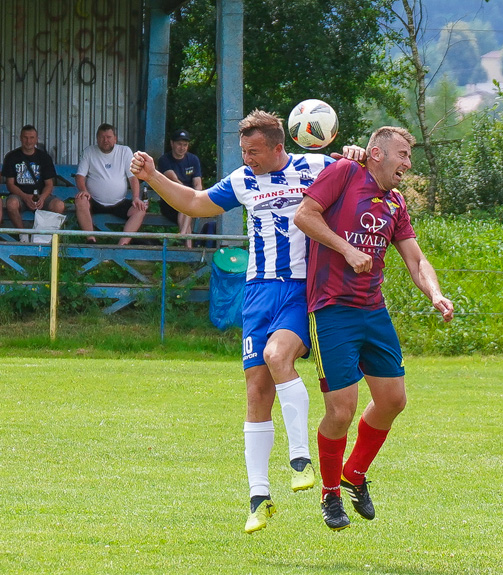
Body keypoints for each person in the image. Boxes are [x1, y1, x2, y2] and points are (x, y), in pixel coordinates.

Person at [129, 109, 364, 535]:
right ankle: (259, 498)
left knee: (279, 356)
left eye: (254, 152)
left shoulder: (315, 166)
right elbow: (196, 204)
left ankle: (300, 458)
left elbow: (358, 172)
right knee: (256, 392)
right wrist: (152, 177)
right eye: (243, 151)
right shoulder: (242, 179)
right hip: (256, 293)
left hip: (298, 287)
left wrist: (357, 152)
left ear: (280, 147)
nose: (248, 158)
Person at [294, 126, 454, 531]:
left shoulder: (396, 202)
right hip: (331, 309)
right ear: (376, 154)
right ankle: (330, 493)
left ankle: (355, 473)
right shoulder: (345, 172)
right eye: (402, 154)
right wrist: (348, 250)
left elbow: (416, 261)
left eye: (410, 157)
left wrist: (434, 293)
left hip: (372, 310)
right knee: (341, 410)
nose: (408, 163)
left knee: (393, 401)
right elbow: (304, 215)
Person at [75, 123, 145, 245]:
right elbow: (80, 176)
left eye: (108, 137)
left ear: (115, 139)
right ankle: (91, 240)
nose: (105, 140)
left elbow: (133, 177)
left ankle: (122, 245)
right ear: (97, 138)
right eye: (102, 137)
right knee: (80, 200)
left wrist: (135, 197)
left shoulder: (125, 151)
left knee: (140, 209)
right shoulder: (89, 152)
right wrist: (83, 190)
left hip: (119, 202)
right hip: (94, 201)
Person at [1, 125, 65, 242]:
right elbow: (10, 184)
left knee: (59, 205)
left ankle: (41, 237)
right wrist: (25, 197)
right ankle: (23, 235)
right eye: (25, 138)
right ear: (20, 138)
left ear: (36, 139)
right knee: (11, 204)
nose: (28, 141)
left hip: (41, 195)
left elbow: (49, 184)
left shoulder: (44, 157)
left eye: (31, 138)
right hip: (20, 195)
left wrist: (42, 198)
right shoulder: (12, 157)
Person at [157, 129, 202, 248]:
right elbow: (174, 181)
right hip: (169, 203)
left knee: (187, 205)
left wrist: (198, 196)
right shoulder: (164, 160)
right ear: (172, 143)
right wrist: (191, 196)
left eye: (185, 145)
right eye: (179, 144)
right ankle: (187, 245)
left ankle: (184, 238)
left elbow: (198, 184)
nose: (182, 147)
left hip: (189, 201)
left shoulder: (193, 159)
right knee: (186, 205)